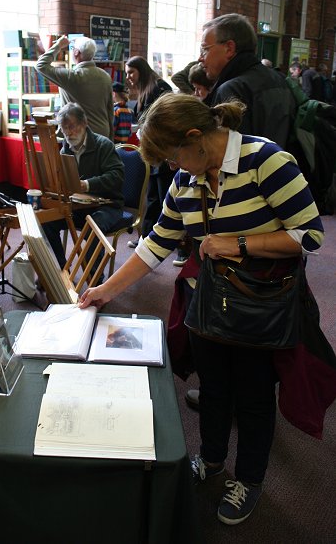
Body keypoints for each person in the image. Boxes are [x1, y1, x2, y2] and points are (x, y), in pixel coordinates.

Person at [79, 93, 324, 525]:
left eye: (174, 157)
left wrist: (240, 244)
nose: (173, 168)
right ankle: (211, 461)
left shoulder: (267, 161)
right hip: (208, 301)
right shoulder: (185, 181)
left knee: (252, 397)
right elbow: (157, 243)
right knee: (212, 387)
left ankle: (248, 479)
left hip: (258, 306)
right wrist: (105, 289)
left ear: (195, 137)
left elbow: (310, 236)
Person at [42, 102, 124, 278]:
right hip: (79, 205)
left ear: (84, 123)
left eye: (72, 127)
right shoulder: (66, 146)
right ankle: (61, 273)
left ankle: (94, 281)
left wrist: (87, 184)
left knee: (93, 225)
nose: (69, 133)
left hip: (108, 205)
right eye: (64, 129)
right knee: (46, 221)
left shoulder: (103, 145)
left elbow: (117, 177)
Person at [200, 13, 297, 150]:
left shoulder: (232, 90)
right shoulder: (279, 79)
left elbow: (229, 157)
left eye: (205, 49)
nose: (200, 58)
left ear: (229, 48)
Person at [124, 56, 174, 249]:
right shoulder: (146, 89)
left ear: (141, 71)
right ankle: (147, 238)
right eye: (127, 72)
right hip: (153, 151)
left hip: (163, 151)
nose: (128, 77)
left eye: (131, 72)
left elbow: (165, 120)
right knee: (152, 198)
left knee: (166, 199)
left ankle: (174, 245)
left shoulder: (160, 88)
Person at [36, 35, 114, 140]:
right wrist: (110, 140)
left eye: (72, 49)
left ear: (76, 52)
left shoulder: (70, 76)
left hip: (78, 136)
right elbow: (110, 110)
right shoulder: (105, 76)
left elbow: (40, 65)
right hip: (102, 135)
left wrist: (58, 45)